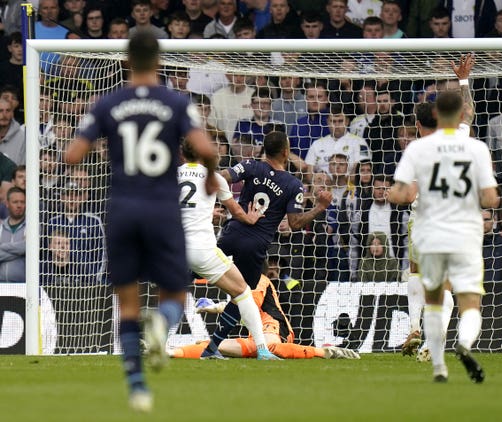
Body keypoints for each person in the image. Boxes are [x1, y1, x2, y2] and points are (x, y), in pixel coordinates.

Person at [64, 31, 220, 412]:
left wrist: (106, 141)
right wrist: (213, 174)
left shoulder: (108, 102)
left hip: (123, 208)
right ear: (159, 61)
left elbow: (71, 155)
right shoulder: (175, 102)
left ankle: (137, 388)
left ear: (126, 60)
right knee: (175, 295)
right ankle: (163, 323)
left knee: (128, 304)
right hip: (162, 209)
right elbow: (204, 148)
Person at [389, 90, 499, 383]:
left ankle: (419, 331)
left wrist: (391, 191)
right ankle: (458, 343)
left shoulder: (419, 149)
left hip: (427, 222)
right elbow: (491, 199)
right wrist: (464, 81)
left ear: (417, 123)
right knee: (464, 295)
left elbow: (406, 194)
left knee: (424, 280)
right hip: (463, 226)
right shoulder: (468, 141)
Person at [199, 130, 333, 359]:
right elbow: (295, 223)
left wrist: (215, 203)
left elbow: (220, 177)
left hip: (233, 232)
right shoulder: (293, 185)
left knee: (195, 265)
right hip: (255, 245)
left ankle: (164, 289)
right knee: (241, 294)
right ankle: (213, 347)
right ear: (286, 152)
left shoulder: (252, 165)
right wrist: (320, 207)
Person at [178, 139, 280, 360]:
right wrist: (251, 218)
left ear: (181, 155)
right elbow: (237, 212)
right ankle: (263, 350)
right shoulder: (214, 179)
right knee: (243, 292)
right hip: (202, 249)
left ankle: (154, 341)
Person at [169, 269, 359, 359]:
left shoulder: (259, 279)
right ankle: (170, 352)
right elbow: (243, 310)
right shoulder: (239, 283)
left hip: (275, 328)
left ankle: (325, 352)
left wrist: (216, 307)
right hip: (256, 338)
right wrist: (217, 307)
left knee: (271, 346)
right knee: (208, 345)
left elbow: (248, 304)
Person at [0, 186, 25, 283]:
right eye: (15, 202)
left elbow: (27, 247)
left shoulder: (32, 227)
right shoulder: (0, 227)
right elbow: (23, 249)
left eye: (22, 202)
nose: (19, 205)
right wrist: (20, 252)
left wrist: (2, 247)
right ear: (7, 204)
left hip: (24, 286)